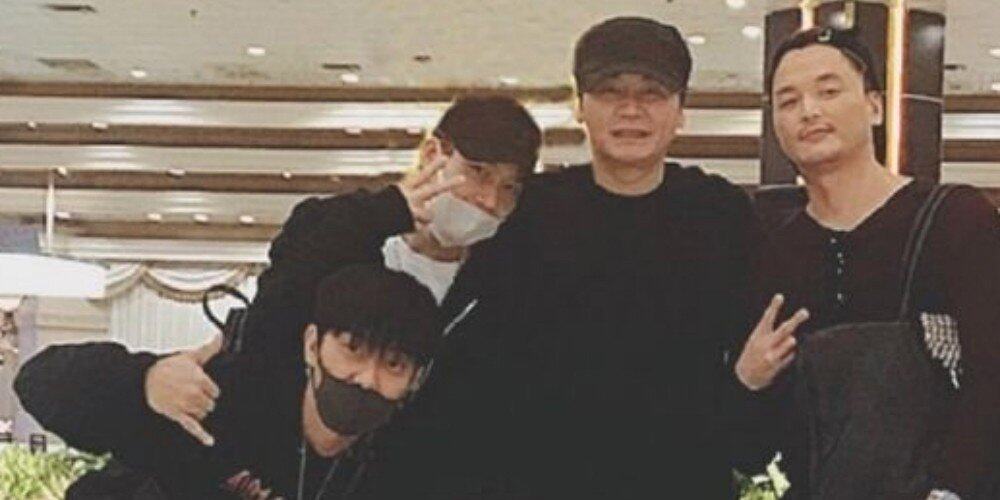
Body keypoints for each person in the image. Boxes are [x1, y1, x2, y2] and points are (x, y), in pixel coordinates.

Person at [360, 16, 765, 499]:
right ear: (578, 105)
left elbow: (746, 366)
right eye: (609, 91)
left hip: (681, 480)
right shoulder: (529, 211)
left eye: (652, 93)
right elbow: (463, 365)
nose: (631, 109)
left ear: (681, 110)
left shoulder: (720, 215)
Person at [139, 93, 542, 449]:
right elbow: (273, 320)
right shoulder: (344, 237)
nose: (490, 200)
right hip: (290, 453)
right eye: (478, 172)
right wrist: (383, 211)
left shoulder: (505, 284)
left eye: (509, 188)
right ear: (433, 153)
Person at [734, 27, 1000, 499]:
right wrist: (747, 382)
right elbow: (761, 438)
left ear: (874, 106)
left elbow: (991, 379)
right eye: (788, 101)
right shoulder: (771, 246)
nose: (808, 111)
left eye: (828, 91)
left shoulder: (955, 219)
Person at [15, 265, 442, 499]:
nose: (367, 379)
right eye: (353, 350)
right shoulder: (222, 400)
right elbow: (38, 383)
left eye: (393, 365)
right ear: (313, 345)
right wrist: (144, 380)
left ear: (415, 378)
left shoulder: (403, 464)